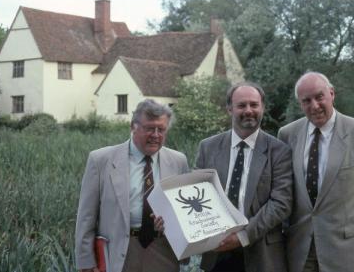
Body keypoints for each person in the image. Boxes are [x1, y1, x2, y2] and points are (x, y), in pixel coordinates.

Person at [277, 72, 354, 272]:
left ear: (332, 94)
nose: (314, 105)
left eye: (319, 97)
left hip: (345, 250)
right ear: (300, 104)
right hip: (300, 249)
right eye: (306, 100)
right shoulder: (287, 135)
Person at [75, 99, 189, 272]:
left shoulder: (178, 161)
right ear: (133, 126)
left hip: (163, 251)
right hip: (120, 251)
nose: (156, 135)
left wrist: (172, 223)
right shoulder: (101, 160)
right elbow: (86, 217)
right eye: (150, 128)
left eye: (161, 129)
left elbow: (185, 212)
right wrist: (86, 262)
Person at [196, 82, 293, 272]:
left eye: (254, 105)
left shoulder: (279, 151)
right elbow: (198, 193)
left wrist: (242, 237)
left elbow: (282, 203)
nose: (248, 110)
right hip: (217, 251)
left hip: (261, 254)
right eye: (241, 105)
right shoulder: (208, 148)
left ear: (262, 107)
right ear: (229, 109)